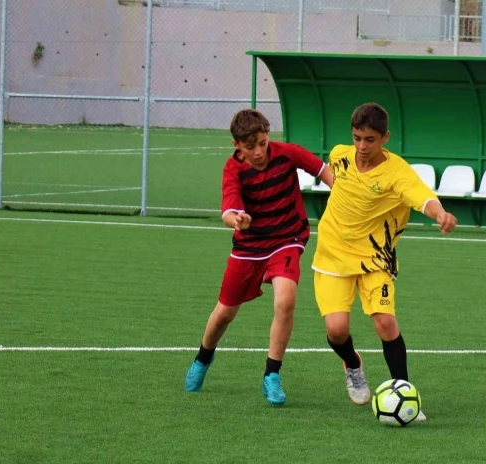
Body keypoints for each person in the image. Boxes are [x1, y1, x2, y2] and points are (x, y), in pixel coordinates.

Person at [311, 102, 458, 421]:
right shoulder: (340, 155)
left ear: (385, 137)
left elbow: (424, 198)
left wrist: (440, 214)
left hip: (375, 260)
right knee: (336, 331)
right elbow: (339, 183)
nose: (362, 146)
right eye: (357, 138)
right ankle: (353, 365)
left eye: (370, 140)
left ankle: (405, 391)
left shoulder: (397, 173)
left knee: (385, 322)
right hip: (332, 254)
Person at [185, 108, 334, 406]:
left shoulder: (288, 153)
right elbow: (228, 210)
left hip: (287, 239)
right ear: (236, 145)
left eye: (262, 143)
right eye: (250, 146)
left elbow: (324, 172)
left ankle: (272, 375)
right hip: (249, 246)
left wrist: (344, 196)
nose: (258, 152)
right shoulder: (233, 169)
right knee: (225, 313)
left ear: (268, 137)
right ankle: (203, 357)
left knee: (285, 301)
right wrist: (237, 219)